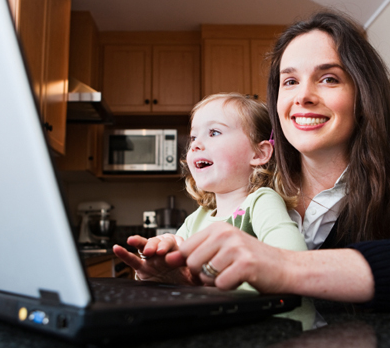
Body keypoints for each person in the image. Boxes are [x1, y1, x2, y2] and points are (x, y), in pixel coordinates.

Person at [121, 11, 390, 311]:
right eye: (290, 81)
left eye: (329, 78)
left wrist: (287, 267)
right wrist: (189, 284)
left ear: (363, 96)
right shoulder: (252, 191)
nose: (303, 96)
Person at [113, 93, 307, 284]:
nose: (195, 144)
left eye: (214, 132)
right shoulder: (195, 219)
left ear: (259, 153)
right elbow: (178, 275)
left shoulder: (262, 202)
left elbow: (293, 262)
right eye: (193, 137)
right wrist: (156, 271)